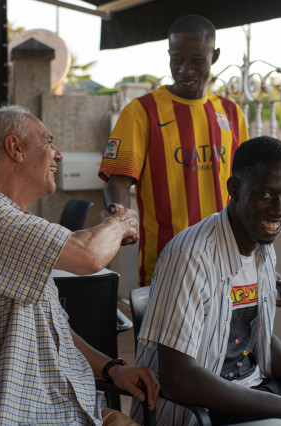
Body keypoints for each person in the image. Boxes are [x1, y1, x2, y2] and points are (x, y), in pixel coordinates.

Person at [0, 105, 159, 425]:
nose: (58, 154)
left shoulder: (12, 221)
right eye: (49, 141)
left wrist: (113, 369)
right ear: (15, 148)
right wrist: (119, 223)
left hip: (62, 408)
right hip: (9, 414)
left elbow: (54, 324)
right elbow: (89, 255)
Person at [132, 136, 281, 425]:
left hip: (254, 392)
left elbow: (258, 338)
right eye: (265, 195)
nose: (279, 209)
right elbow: (178, 379)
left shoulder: (263, 248)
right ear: (234, 189)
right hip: (202, 409)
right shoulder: (192, 255)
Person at [98, 14, 250, 287]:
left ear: (214, 56)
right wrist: (119, 216)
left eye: (196, 60)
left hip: (226, 262)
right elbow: (118, 181)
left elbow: (247, 188)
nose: (185, 70)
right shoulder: (141, 112)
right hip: (167, 263)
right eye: (176, 60)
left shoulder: (232, 113)